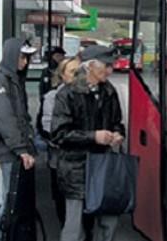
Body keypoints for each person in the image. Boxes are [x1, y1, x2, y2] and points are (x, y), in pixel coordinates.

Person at [51, 45, 125, 241]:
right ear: (91, 65)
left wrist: (118, 133)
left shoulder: (109, 91)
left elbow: (117, 121)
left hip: (103, 165)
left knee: (109, 220)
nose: (110, 71)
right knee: (74, 228)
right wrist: (94, 136)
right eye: (107, 66)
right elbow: (59, 134)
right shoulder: (66, 94)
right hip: (76, 168)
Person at [0, 37, 38, 241]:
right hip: (10, 151)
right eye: (22, 57)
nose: (25, 62)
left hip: (17, 149)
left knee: (15, 202)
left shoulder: (13, 79)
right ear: (12, 55)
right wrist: (21, 149)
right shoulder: (1, 80)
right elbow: (5, 118)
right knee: (10, 203)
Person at [41, 55, 81, 227]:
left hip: (83, 162)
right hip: (61, 160)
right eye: (72, 72)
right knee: (63, 203)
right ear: (62, 75)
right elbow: (50, 127)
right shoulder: (52, 97)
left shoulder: (89, 95)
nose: (76, 75)